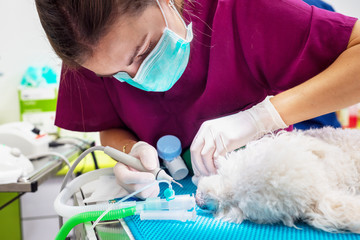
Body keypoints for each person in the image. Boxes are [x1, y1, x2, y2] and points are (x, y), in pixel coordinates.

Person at [35, 0, 360, 198]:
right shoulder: (89, 49)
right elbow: (109, 124)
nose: (137, 77)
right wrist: (130, 152)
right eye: (115, 75)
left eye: (143, 50)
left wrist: (263, 118)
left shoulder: (245, 9)